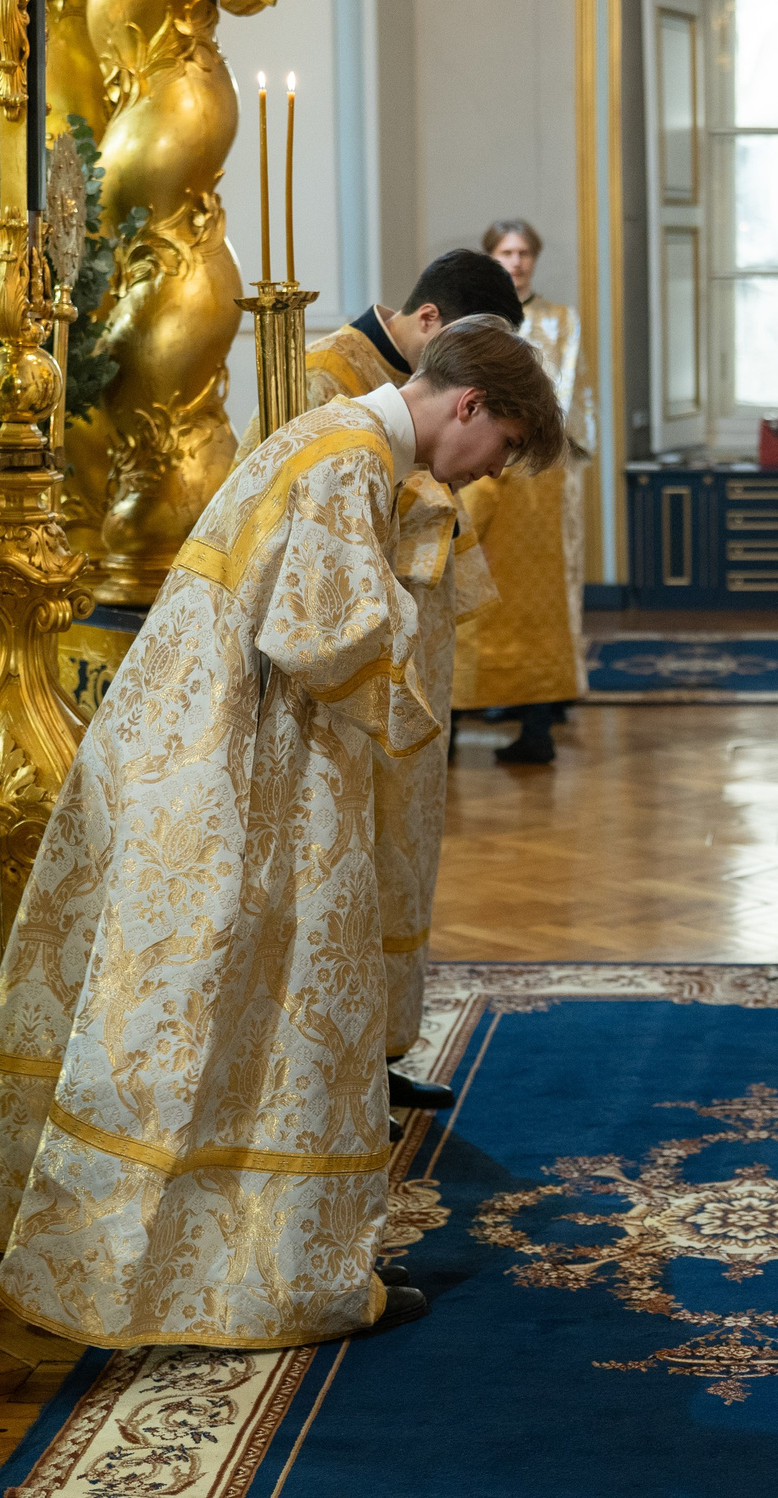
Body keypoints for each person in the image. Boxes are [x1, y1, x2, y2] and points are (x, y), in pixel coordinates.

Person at [0, 315, 566, 1348]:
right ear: (471, 405)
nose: (493, 472)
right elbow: (326, 638)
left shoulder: (334, 442)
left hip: (209, 749)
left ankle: (186, 1252)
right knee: (285, 1005)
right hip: (244, 770)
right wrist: (411, 679)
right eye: (504, 448)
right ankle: (275, 1275)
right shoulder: (348, 460)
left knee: (201, 1012)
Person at [305, 251, 523, 1104]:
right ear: (432, 323)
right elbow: (320, 528)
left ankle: (384, 1055)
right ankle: (337, 1066)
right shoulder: (326, 374)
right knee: (347, 853)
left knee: (401, 852)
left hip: (415, 653)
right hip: (353, 668)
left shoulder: (424, 389)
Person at [452, 220, 588, 766]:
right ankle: (455, 719)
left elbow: (569, 394)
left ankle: (537, 725)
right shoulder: (474, 323)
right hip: (481, 474)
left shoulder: (558, 320)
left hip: (538, 481)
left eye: (525, 251)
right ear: (491, 257)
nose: (517, 261)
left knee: (535, 600)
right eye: (506, 252)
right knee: (467, 585)